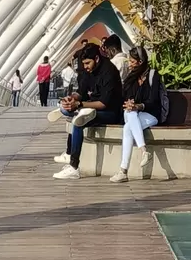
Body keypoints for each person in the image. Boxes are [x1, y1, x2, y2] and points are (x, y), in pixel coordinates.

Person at [53, 43, 124, 179]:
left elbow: (103, 104)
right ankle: (66, 109)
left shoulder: (109, 71)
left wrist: (80, 104)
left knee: (79, 121)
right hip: (90, 107)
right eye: (83, 63)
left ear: (96, 59)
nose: (85, 67)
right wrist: (72, 98)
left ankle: (74, 166)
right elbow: (81, 92)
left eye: (87, 63)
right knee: (73, 112)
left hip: (110, 113)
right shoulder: (88, 72)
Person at [109, 45, 167, 183]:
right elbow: (125, 97)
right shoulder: (131, 78)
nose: (129, 64)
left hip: (150, 115)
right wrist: (130, 104)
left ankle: (123, 171)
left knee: (128, 127)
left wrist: (138, 106)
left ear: (140, 62)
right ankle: (143, 151)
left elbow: (153, 101)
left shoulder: (153, 75)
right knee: (130, 113)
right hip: (132, 113)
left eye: (132, 61)